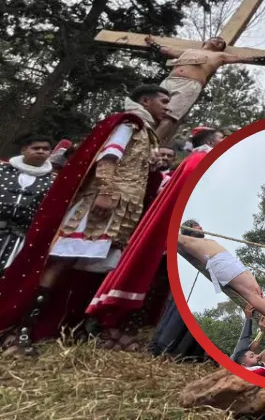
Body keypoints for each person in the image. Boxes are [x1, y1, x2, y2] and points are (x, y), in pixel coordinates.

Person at [0, 84, 170, 356]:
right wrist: (104, 192)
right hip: (99, 206)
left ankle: (68, 326)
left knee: (90, 272)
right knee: (60, 262)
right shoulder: (128, 124)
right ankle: (18, 331)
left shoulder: (147, 132)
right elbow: (109, 157)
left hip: (122, 212)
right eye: (163, 101)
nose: (167, 107)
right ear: (146, 101)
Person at [87, 129, 223, 345]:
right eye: (221, 139)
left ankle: (130, 330)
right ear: (210, 141)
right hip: (173, 231)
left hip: (185, 233)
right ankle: (113, 329)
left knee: (160, 282)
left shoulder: (206, 162)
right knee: (147, 277)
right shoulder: (199, 160)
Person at [143, 35, 265, 141]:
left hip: (190, 84)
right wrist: (152, 44)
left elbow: (242, 58)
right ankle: (138, 139)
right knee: (150, 112)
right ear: (206, 42)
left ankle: (151, 144)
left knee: (170, 116)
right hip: (169, 81)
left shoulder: (219, 55)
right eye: (215, 39)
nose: (218, 41)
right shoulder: (188, 51)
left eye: (221, 42)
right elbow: (166, 50)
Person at [176, 221, 265, 330]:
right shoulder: (187, 241)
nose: (200, 226)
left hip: (228, 262)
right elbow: (172, 234)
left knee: (255, 290)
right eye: (196, 225)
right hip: (220, 263)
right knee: (250, 292)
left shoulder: (202, 241)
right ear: (189, 230)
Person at [0, 135, 57, 274]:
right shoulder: (2, 170)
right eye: (36, 148)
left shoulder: (54, 182)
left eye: (46, 149)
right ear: (24, 150)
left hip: (19, 239)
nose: (41, 151)